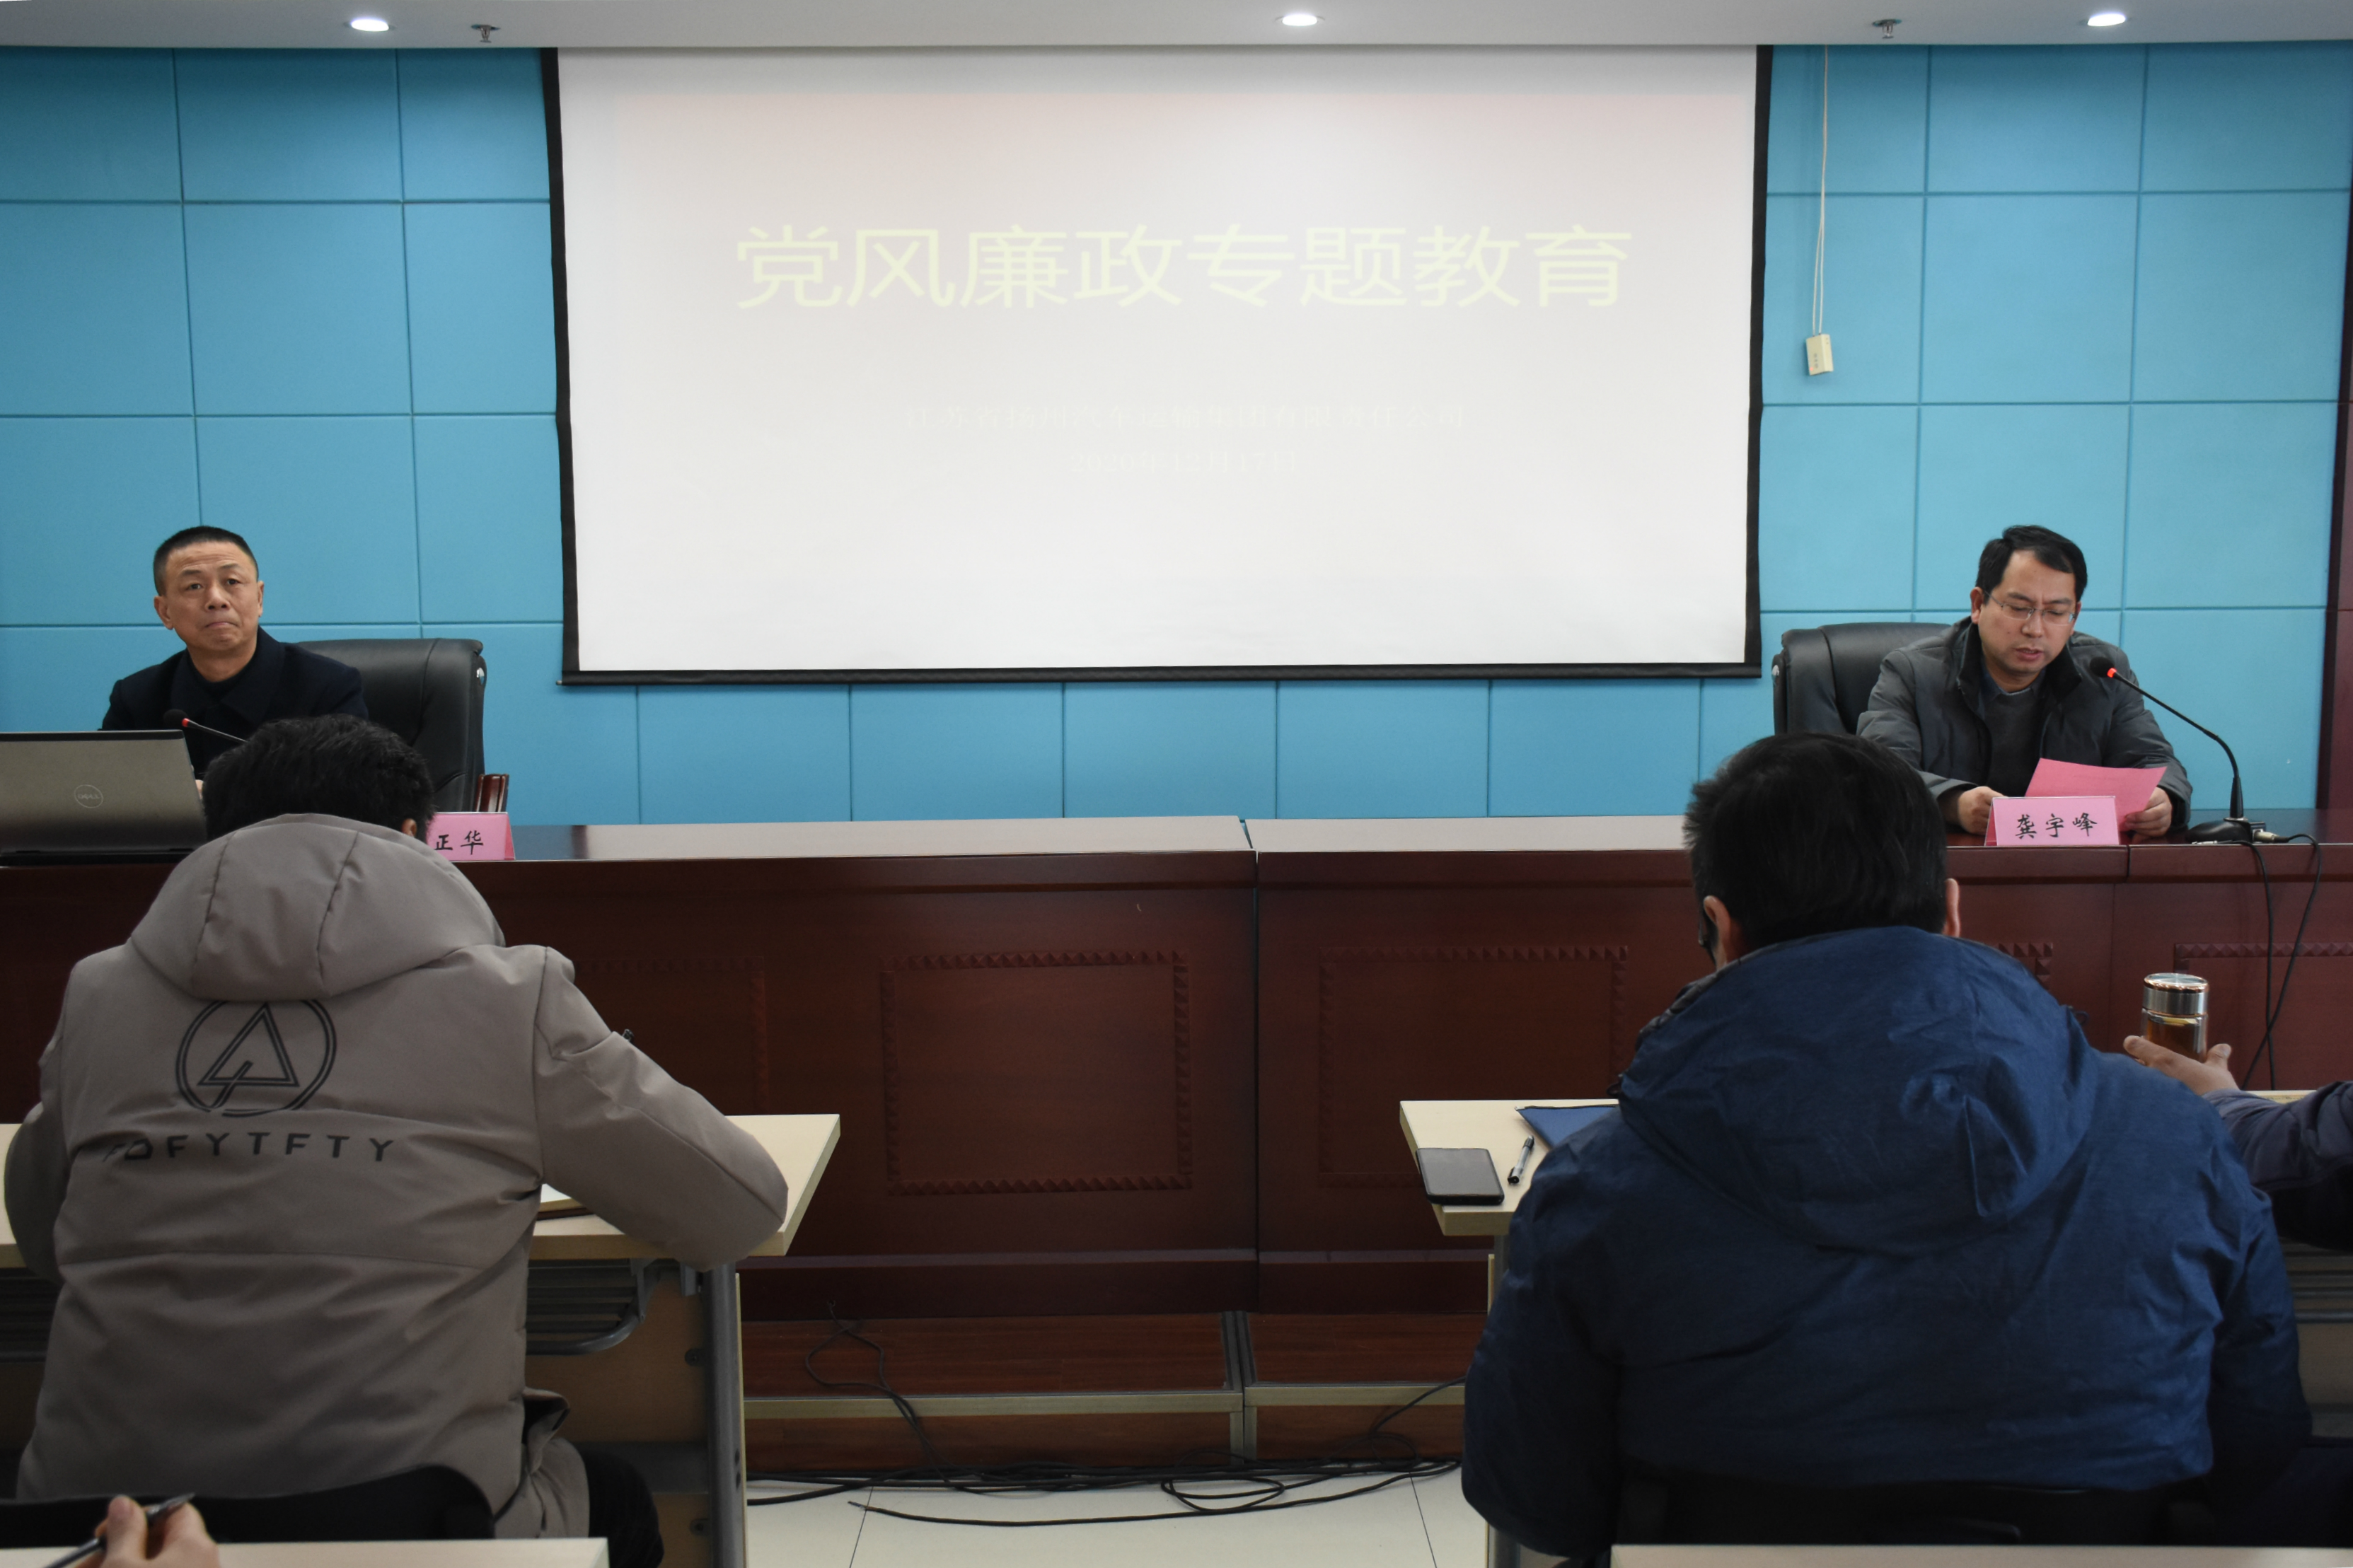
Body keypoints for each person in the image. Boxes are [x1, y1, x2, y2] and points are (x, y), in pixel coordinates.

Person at [1460, 730, 2305, 1561]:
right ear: (1951, 911)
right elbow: (2256, 1445)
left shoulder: (1603, 1182)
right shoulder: (2177, 1138)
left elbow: (1534, 1500)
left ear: (1722, 928)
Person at [5, 714, 789, 1567]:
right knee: (619, 1494)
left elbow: (46, 1237)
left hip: (105, 1525)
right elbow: (736, 1209)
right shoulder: (508, 997)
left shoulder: (101, 994)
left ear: (215, 838)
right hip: (400, 1511)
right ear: (416, 835)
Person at [1856, 525, 2187, 840]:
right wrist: (1953, 803)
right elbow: (1879, 775)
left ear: (2075, 616)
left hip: (2070, 865)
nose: (2035, 629)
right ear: (1978, 604)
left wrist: (2163, 797)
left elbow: (2154, 759)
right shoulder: (1913, 673)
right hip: (1948, 865)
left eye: (2056, 613)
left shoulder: (2104, 672)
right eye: (2019, 608)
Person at [100, 528, 367, 772]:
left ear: (259, 598)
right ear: (165, 611)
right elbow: (108, 791)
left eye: (232, 582)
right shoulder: (136, 699)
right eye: (194, 586)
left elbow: (351, 792)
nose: (216, 600)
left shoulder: (327, 688)